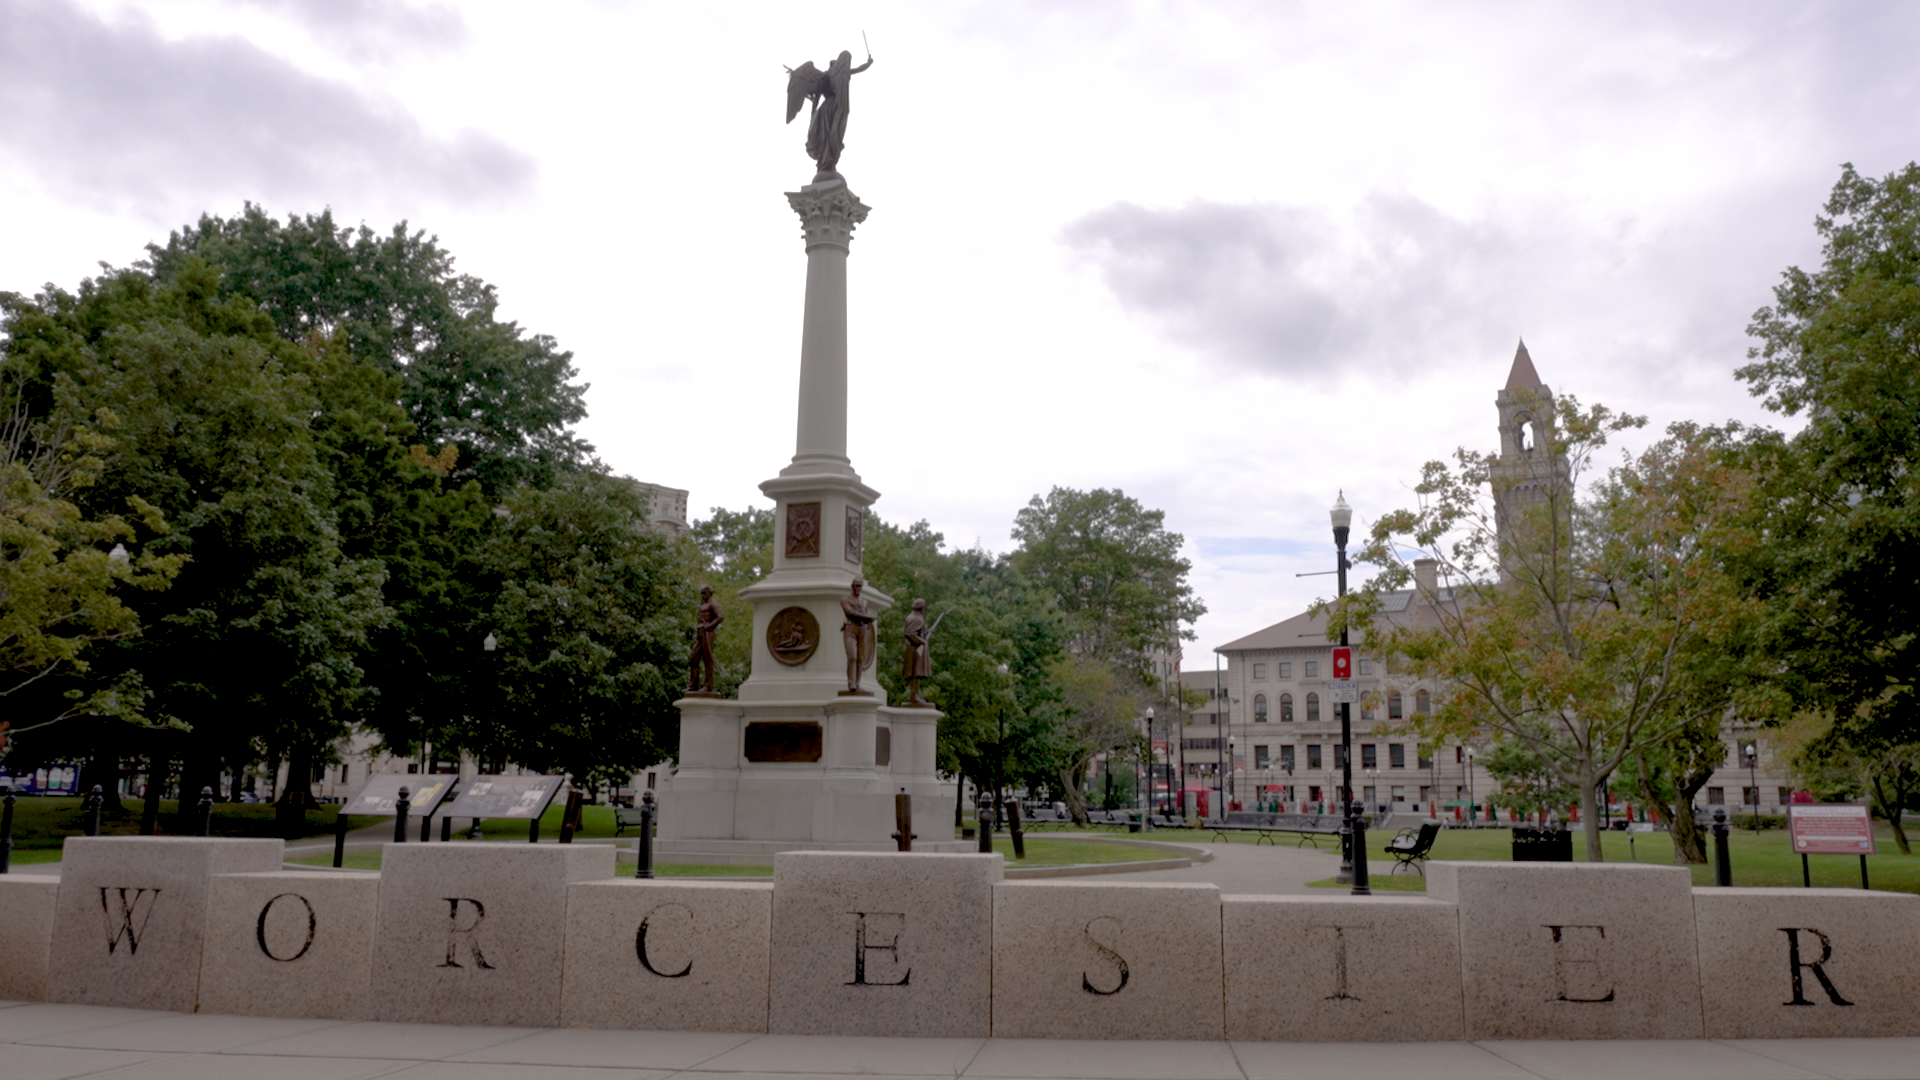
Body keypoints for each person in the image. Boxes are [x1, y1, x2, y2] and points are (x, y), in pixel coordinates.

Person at [840, 578, 875, 693]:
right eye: (856, 585)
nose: (858, 588)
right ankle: (851, 683)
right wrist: (867, 617)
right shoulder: (845, 599)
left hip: (863, 629)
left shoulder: (865, 602)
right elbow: (850, 612)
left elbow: (865, 616)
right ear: (852, 586)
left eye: (860, 586)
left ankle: (857, 683)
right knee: (852, 656)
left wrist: (869, 619)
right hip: (851, 628)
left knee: (861, 658)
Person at [686, 584, 723, 693]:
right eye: (701, 593)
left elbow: (720, 616)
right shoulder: (702, 605)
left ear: (710, 593)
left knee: (708, 659)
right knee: (694, 659)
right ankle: (693, 685)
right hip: (699, 633)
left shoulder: (713, 604)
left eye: (704, 593)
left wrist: (710, 625)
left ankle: (708, 685)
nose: (702, 595)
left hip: (708, 633)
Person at [902, 598, 932, 706]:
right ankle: (914, 695)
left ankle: (915, 695)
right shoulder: (916, 619)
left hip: (914, 648)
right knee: (915, 673)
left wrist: (927, 632)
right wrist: (922, 641)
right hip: (915, 649)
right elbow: (910, 633)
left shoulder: (914, 617)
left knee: (916, 674)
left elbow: (918, 632)